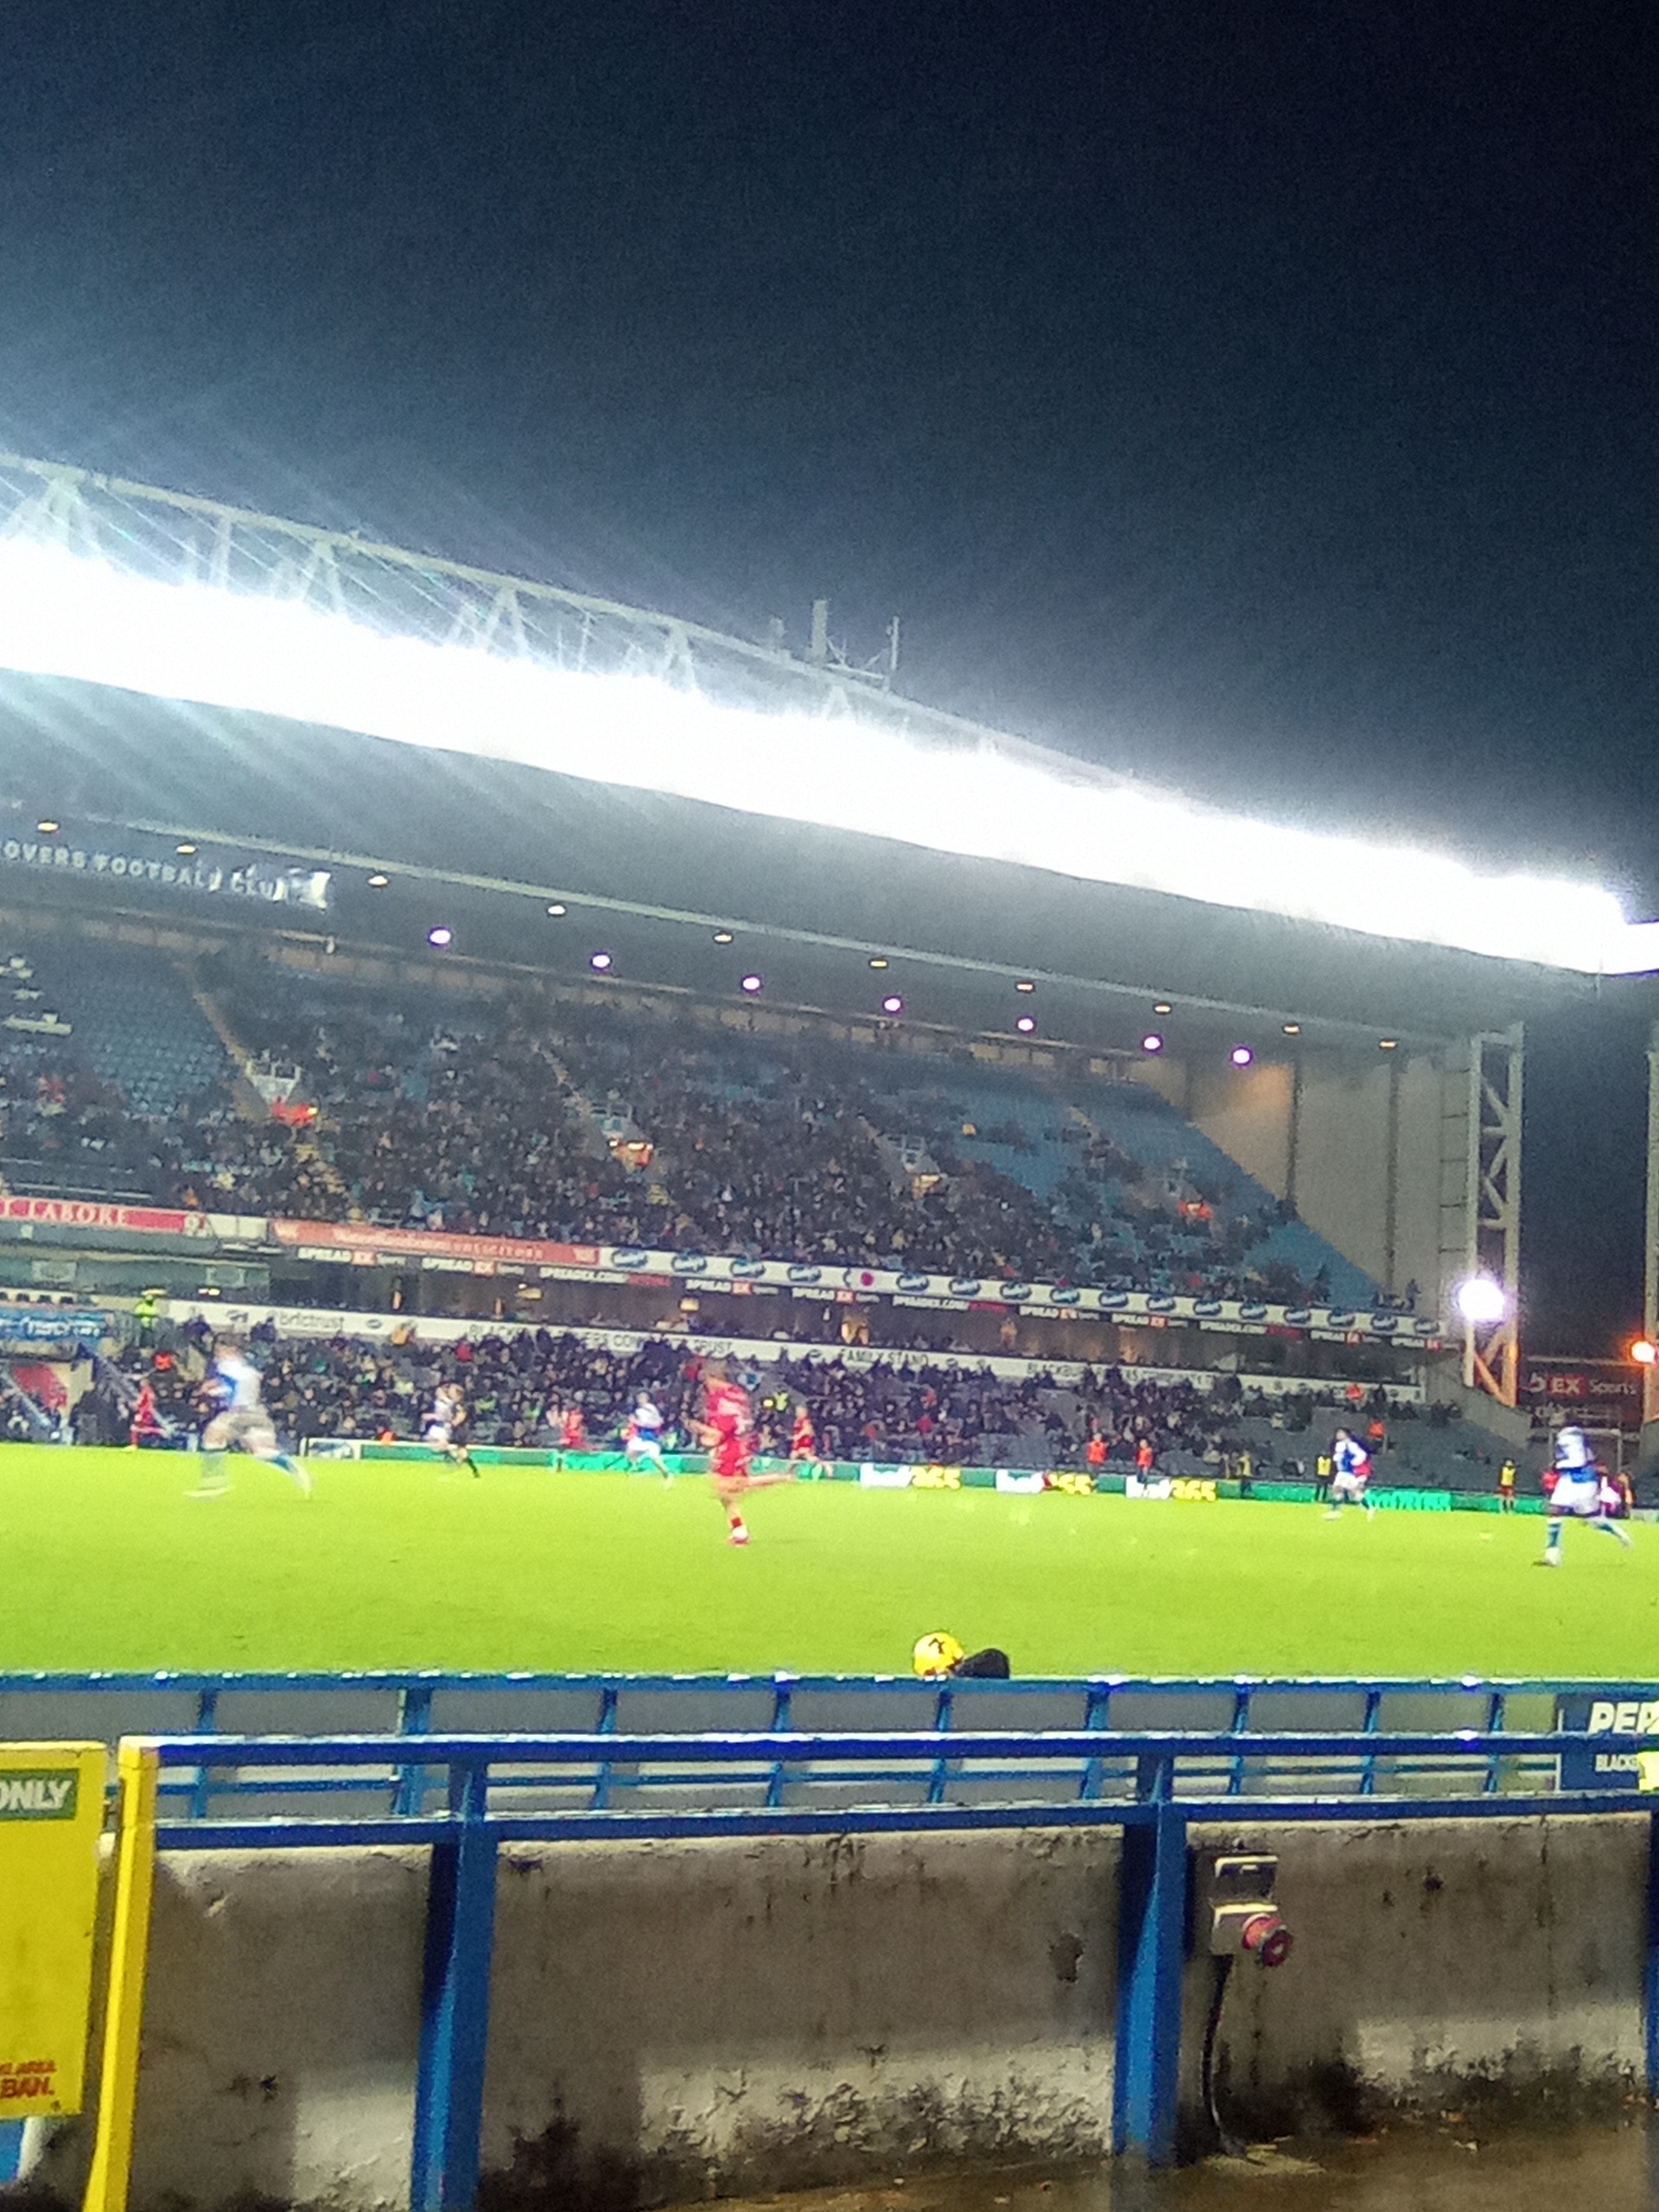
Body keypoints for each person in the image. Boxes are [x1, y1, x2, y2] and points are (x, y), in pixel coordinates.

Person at [189, 1344, 312, 1499]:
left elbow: (231, 1385)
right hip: (256, 1412)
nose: (217, 1356)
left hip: (240, 1413)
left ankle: (215, 1482)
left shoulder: (229, 1366)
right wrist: (217, 1391)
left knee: (212, 1435)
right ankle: (293, 1467)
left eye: (221, 1351)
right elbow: (237, 1387)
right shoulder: (249, 1371)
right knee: (263, 1453)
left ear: (232, 1351)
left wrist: (211, 1387)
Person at [1539, 1423, 1632, 1566]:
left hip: (1583, 1481)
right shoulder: (1567, 1436)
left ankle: (1617, 1531)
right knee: (1554, 1511)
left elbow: (1577, 1461)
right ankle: (1552, 1555)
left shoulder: (1572, 1436)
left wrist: (1558, 1466)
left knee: (1592, 1520)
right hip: (1569, 1479)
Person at [424, 1382, 479, 1475]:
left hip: (460, 1431)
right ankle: (473, 1470)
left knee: (455, 1450)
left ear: (458, 1394)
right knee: (460, 1451)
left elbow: (461, 1416)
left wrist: (451, 1423)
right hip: (457, 1430)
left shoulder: (459, 1405)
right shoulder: (454, 1404)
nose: (449, 1392)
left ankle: (456, 1465)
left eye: (452, 1391)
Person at [1324, 1427, 1375, 1519]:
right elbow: (1338, 1456)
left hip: (1347, 1472)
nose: (1338, 1435)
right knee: (1343, 1490)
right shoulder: (1339, 1445)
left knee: (1347, 1491)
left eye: (1340, 1433)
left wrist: (1353, 1463)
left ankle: (1336, 1511)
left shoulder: (1351, 1445)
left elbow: (1362, 1454)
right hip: (1342, 1471)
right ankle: (1336, 1511)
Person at [624, 1395, 670, 1479]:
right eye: (639, 1398)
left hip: (651, 1439)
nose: (639, 1399)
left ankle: (667, 1474)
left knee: (655, 1458)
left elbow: (652, 1424)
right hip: (641, 1437)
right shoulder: (639, 1410)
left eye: (642, 1398)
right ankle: (637, 1467)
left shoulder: (650, 1409)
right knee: (630, 1451)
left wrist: (636, 1421)